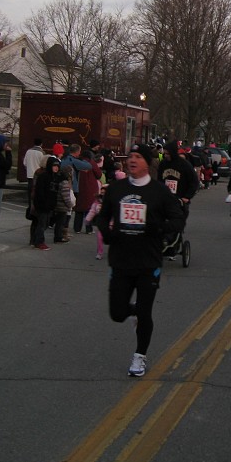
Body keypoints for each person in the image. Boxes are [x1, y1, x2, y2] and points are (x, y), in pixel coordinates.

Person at [96, 143, 185, 378]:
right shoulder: (117, 189)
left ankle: (139, 357)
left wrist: (159, 228)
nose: (132, 160)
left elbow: (178, 220)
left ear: (147, 162)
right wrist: (107, 233)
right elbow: (103, 216)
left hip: (148, 262)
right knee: (117, 313)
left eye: (138, 157)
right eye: (130, 156)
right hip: (121, 260)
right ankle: (132, 312)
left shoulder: (160, 192)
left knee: (145, 313)